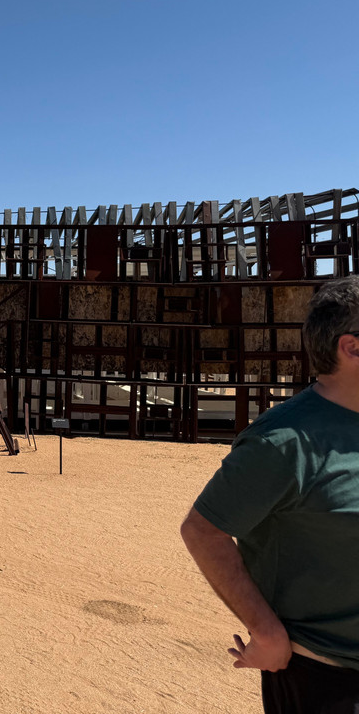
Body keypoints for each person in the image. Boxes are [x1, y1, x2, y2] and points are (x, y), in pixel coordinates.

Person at [182, 275, 359, 714]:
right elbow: (203, 531)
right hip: (326, 677)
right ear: (352, 348)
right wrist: (266, 633)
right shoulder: (283, 441)